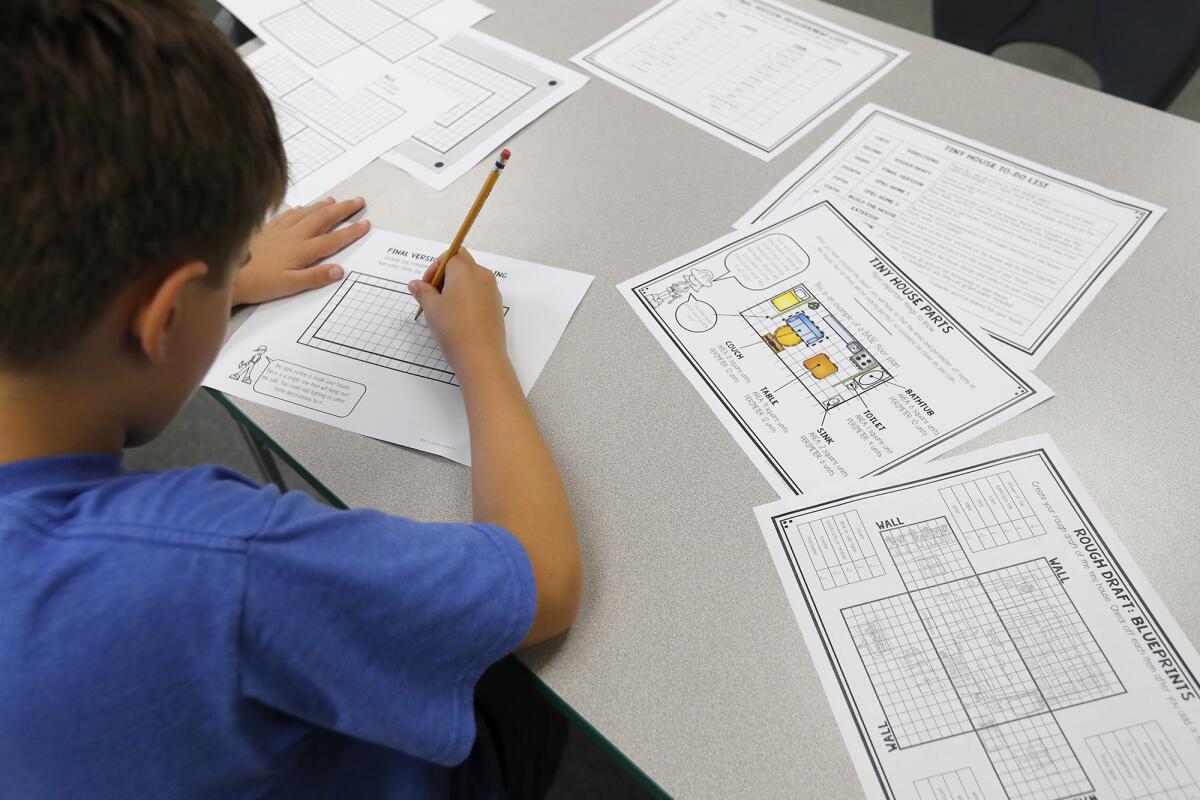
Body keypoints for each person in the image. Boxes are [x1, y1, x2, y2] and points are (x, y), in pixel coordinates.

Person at [0, 2, 582, 798]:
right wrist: (481, 355)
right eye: (235, 253)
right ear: (163, 317)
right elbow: (544, 583)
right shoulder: (216, 564)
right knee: (539, 686)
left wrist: (218, 280)